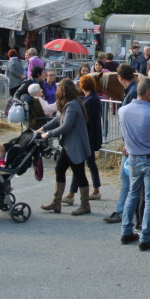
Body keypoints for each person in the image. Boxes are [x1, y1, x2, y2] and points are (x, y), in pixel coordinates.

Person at [118, 77, 150, 250]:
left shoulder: (123, 110)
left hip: (133, 157)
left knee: (132, 194)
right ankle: (145, 237)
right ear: (148, 93)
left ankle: (126, 230)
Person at [37, 79, 92, 216]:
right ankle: (56, 202)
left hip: (74, 145)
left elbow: (66, 126)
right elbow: (58, 120)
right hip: (69, 145)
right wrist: (43, 128)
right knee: (60, 168)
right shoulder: (71, 104)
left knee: (79, 173)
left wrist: (48, 134)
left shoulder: (72, 105)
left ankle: (85, 205)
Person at [103, 64, 138, 224]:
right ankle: (125, 209)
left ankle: (123, 211)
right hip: (132, 143)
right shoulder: (132, 90)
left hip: (130, 144)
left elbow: (129, 122)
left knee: (127, 177)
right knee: (127, 177)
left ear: (119, 78)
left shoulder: (131, 93)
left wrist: (126, 143)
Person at [62, 74, 103, 206]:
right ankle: (95, 190)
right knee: (90, 164)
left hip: (88, 136)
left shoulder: (90, 100)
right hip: (91, 135)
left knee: (79, 164)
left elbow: (86, 120)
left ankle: (71, 193)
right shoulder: (92, 98)